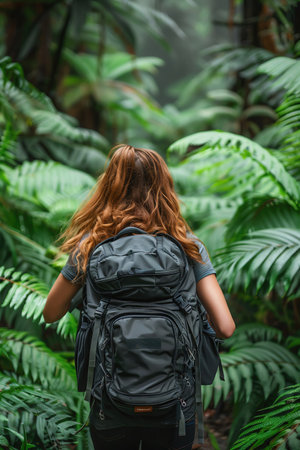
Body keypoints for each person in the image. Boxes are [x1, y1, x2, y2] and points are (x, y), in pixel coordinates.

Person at [43, 144, 235, 450]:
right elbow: (226, 327)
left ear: (109, 186)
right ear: (164, 187)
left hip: (109, 400)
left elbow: (51, 312)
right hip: (176, 402)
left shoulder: (90, 247)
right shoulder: (188, 247)